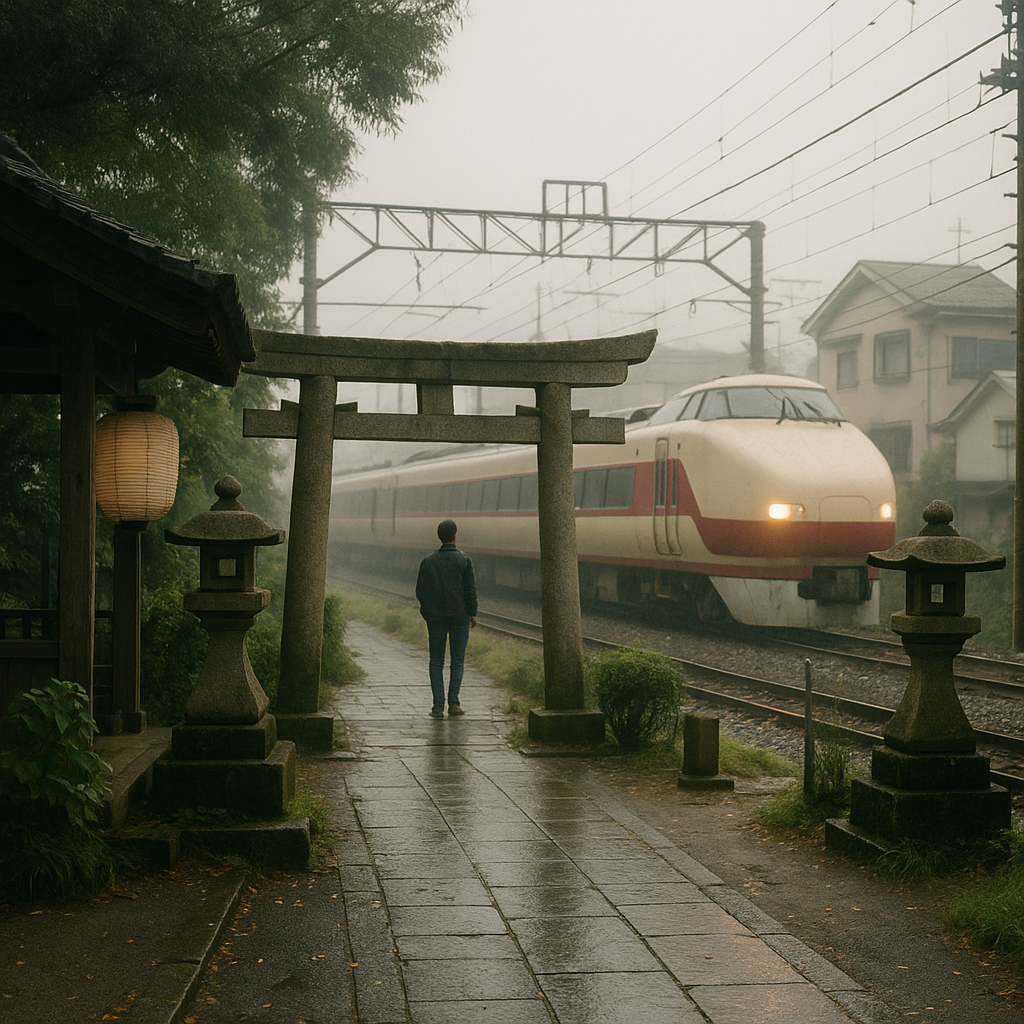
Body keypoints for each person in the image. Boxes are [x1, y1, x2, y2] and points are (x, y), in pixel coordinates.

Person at [415, 519, 478, 717]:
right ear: (455, 536)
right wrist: (472, 612)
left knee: (436, 660)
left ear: (440, 537)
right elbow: (470, 590)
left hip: (436, 617)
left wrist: (426, 610)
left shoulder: (428, 561)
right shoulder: (464, 560)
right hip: (460, 616)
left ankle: (437, 705)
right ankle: (454, 702)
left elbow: (421, 590)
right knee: (457, 660)